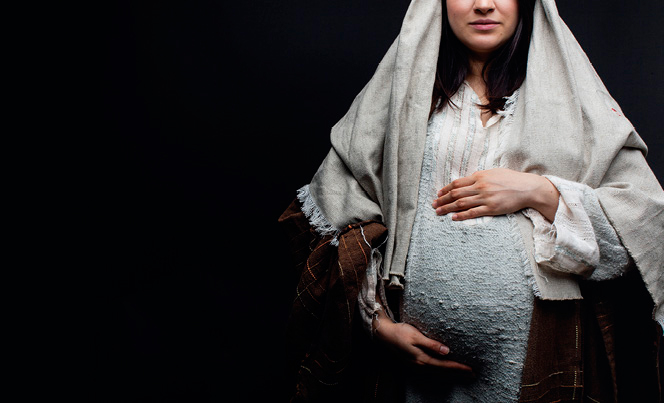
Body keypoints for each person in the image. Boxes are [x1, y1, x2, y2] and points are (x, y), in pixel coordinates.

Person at [279, 0, 663, 401]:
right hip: (409, 374)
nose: (483, 5)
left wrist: (539, 191)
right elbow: (337, 215)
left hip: (544, 351)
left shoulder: (573, 97)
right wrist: (377, 323)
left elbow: (640, 224)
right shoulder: (402, 93)